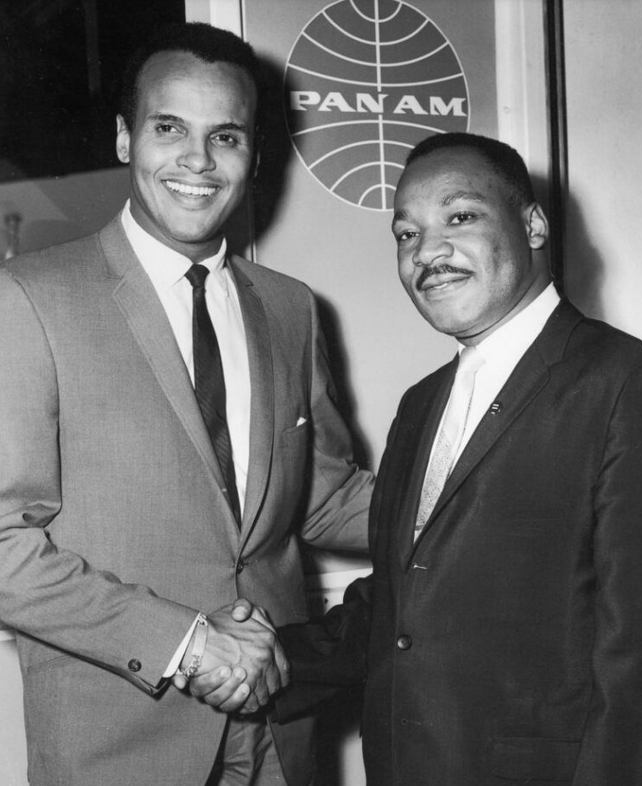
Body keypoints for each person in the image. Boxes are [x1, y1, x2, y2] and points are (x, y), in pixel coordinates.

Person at [0, 22, 372, 786]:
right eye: (169, 128)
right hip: (118, 748)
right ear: (124, 138)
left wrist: (476, 499)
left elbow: (324, 496)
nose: (198, 161)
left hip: (279, 731)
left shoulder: (293, 309)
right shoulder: (31, 298)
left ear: (255, 156)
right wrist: (189, 643)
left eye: (225, 136)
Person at [226, 132, 642, 785]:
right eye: (407, 234)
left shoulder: (626, 382)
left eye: (460, 216)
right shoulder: (420, 404)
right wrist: (269, 659)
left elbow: (641, 652)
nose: (427, 251)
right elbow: (399, 605)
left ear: (533, 226)